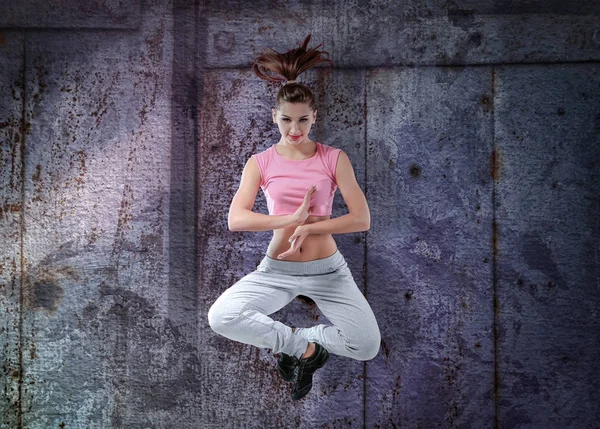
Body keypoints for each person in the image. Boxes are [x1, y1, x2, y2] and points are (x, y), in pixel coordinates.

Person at [207, 34, 381, 401]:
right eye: (287, 120)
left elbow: (361, 218)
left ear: (314, 116)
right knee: (221, 317)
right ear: (275, 117)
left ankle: (308, 339)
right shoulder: (260, 162)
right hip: (278, 270)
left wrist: (310, 224)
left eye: (303, 120)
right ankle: (296, 347)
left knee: (366, 345)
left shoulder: (334, 158)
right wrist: (288, 221)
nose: (295, 129)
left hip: (328, 271)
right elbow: (236, 219)